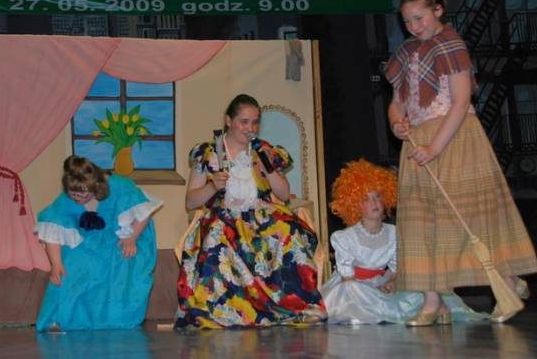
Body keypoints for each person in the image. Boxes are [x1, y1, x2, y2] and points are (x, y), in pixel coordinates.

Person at [384, 0, 537, 325]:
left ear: (438, 10)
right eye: (407, 21)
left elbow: (460, 102)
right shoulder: (406, 51)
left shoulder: (451, 45)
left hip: (453, 138)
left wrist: (435, 147)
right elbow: (396, 102)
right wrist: (397, 124)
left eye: (419, 18)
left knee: (470, 217)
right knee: (421, 223)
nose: (413, 26)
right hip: (418, 141)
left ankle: (507, 283)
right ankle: (432, 302)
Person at [174, 93, 326, 329]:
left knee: (288, 231)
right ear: (228, 121)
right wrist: (212, 186)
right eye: (244, 122)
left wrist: (269, 169)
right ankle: (222, 310)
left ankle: (295, 306)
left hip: (261, 215)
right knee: (217, 234)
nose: (250, 128)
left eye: (255, 122)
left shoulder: (263, 150)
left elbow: (284, 195)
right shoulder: (209, 153)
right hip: (223, 216)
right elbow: (191, 201)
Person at [321, 159, 487, 325]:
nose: (374, 203)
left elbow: (396, 270)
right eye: (366, 199)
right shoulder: (345, 238)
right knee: (351, 290)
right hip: (354, 284)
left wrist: (392, 282)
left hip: (381, 281)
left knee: (420, 288)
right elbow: (347, 279)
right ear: (353, 204)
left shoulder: (394, 233)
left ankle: (432, 309)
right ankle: (375, 310)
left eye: (378, 196)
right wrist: (371, 289)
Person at [35, 155, 161, 331]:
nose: (78, 199)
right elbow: (53, 228)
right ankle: (62, 319)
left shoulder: (120, 186)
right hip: (89, 242)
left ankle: (117, 318)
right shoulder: (65, 199)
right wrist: (56, 263)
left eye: (83, 195)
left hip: (124, 235)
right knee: (72, 263)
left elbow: (143, 212)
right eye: (74, 195)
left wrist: (131, 237)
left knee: (123, 259)